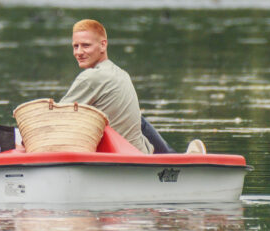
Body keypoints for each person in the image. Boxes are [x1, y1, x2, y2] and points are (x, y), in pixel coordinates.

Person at [57, 19, 204, 154]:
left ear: (103, 45)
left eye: (86, 45)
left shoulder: (91, 77)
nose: (78, 52)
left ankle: (173, 159)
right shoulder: (121, 73)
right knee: (139, 119)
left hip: (121, 157)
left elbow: (55, 117)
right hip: (142, 151)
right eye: (75, 46)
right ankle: (174, 157)